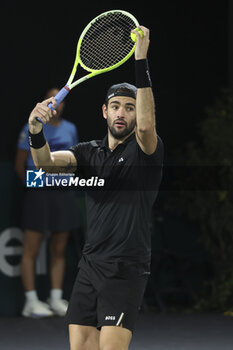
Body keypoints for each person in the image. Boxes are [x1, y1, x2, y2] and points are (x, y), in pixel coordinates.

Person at [27, 26, 163, 349]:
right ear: (104, 112)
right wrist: (35, 130)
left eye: (129, 107)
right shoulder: (88, 153)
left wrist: (140, 61)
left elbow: (146, 125)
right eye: (116, 106)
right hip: (90, 267)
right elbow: (45, 164)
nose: (122, 113)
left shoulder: (146, 151)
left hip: (125, 269)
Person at [15, 88, 79, 318]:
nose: (57, 104)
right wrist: (35, 184)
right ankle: (31, 302)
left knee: (59, 249)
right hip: (38, 193)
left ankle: (55, 298)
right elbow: (20, 164)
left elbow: (74, 160)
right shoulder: (31, 126)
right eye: (53, 99)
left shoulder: (71, 129)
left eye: (61, 100)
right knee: (31, 249)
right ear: (45, 102)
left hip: (63, 193)